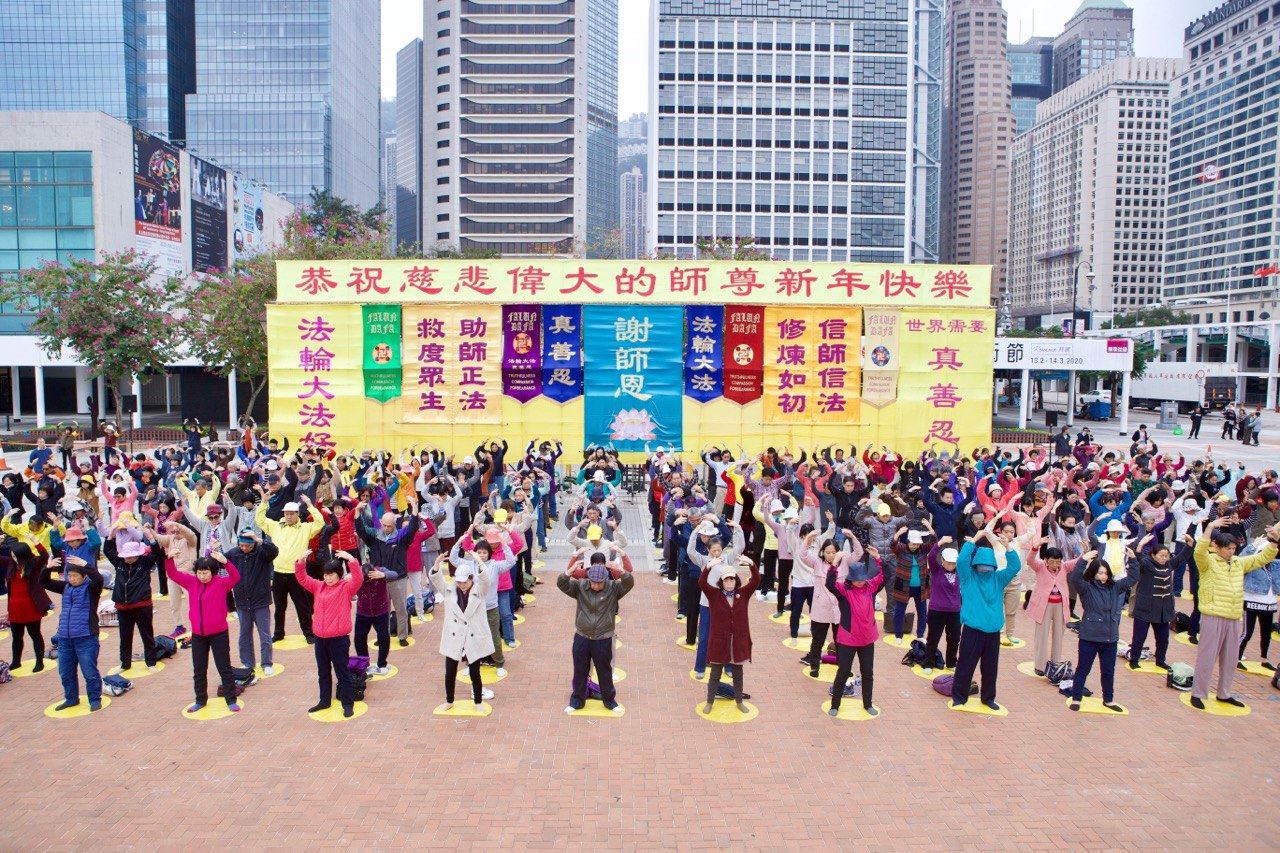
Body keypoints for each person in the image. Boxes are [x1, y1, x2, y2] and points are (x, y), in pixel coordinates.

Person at [1190, 518, 1279, 709]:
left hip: (1233, 616)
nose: (1231, 551)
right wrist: (1210, 527)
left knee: (1230, 659)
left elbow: (1262, 558)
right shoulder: (1207, 562)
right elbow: (1199, 551)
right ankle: (1198, 693)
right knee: (1207, 657)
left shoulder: (1239, 562)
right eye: (1228, 548)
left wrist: (1273, 541)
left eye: (1233, 548)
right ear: (1217, 547)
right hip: (1213, 615)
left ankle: (1224, 693)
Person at [950, 532, 1021, 711]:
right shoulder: (968, 578)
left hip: (993, 632)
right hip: (972, 630)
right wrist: (973, 540)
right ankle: (959, 697)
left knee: (990, 668)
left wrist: (1008, 547)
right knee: (965, 665)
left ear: (994, 565)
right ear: (975, 564)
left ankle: (988, 698)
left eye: (988, 566)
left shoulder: (998, 579)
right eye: (982, 565)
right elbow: (961, 561)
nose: (985, 569)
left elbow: (1015, 566)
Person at [557, 553, 635, 714]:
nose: (595, 586)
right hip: (582, 636)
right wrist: (569, 572)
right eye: (593, 582)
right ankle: (577, 700)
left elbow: (629, 583)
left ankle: (610, 701)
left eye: (599, 583)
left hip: (603, 638)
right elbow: (562, 584)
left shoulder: (613, 588)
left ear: (605, 580)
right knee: (580, 671)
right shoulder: (580, 586)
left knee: (604, 671)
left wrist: (621, 570)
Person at [167, 553, 241, 715]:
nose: (202, 576)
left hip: (219, 634)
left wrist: (226, 562)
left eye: (205, 572)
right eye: (199, 572)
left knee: (224, 667)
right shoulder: (191, 582)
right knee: (199, 669)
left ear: (212, 572)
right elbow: (173, 574)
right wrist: (169, 559)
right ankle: (200, 700)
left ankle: (231, 700)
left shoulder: (221, 583)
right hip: (198, 635)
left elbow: (236, 577)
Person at [295, 550, 363, 717]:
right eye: (325, 575)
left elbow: (359, 579)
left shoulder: (346, 588)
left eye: (331, 575)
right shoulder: (318, 586)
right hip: (320, 639)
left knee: (342, 673)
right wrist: (301, 562)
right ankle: (324, 701)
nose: (328, 578)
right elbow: (303, 579)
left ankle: (347, 703)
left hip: (339, 640)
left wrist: (351, 559)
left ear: (339, 574)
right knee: (323, 672)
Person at [1068, 552, 1138, 711]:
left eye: (1106, 573)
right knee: (1083, 669)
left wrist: (1133, 559)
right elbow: (1075, 578)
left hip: (1109, 638)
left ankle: (1108, 700)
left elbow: (1133, 578)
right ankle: (1076, 698)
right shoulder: (1086, 588)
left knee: (1108, 671)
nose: (1104, 576)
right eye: (1100, 573)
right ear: (1093, 573)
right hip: (1090, 637)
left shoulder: (1115, 587)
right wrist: (1083, 559)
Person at [256, 497, 325, 643]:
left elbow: (320, 522)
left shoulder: (306, 528)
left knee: (303, 606)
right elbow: (260, 520)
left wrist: (310, 505)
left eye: (292, 513)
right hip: (278, 573)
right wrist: (264, 502)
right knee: (279, 607)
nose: (288, 516)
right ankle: (278, 633)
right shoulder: (275, 526)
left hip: (297, 574)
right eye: (286, 513)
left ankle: (309, 634)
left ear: (298, 514)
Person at [42, 552, 105, 712]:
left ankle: (95, 699)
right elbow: (44, 582)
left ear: (84, 576)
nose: (72, 579)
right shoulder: (65, 587)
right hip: (64, 638)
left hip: (86, 637)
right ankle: (71, 699)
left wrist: (86, 565)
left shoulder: (91, 589)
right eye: (69, 575)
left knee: (89, 672)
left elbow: (99, 579)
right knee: (66, 672)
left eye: (75, 576)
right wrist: (47, 568)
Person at [429, 555, 492, 711]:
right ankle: (449, 700)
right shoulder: (449, 590)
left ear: (471, 578)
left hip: (472, 636)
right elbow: (437, 580)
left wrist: (479, 561)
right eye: (459, 582)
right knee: (450, 672)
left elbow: (486, 579)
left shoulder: (479, 590)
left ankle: (478, 702)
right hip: (454, 636)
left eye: (465, 582)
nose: (462, 585)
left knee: (475, 672)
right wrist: (437, 564)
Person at [826, 548, 884, 716]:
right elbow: (829, 584)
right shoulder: (844, 590)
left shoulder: (871, 587)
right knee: (843, 672)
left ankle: (868, 704)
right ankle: (835, 705)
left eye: (862, 579)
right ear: (851, 578)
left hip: (867, 639)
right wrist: (834, 563)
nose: (860, 582)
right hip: (848, 639)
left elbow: (883, 577)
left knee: (867, 673)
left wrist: (878, 559)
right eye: (857, 579)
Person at [699, 555, 760, 713]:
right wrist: (708, 566)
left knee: (738, 673)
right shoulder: (714, 595)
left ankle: (739, 701)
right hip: (720, 642)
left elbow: (756, 580)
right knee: (715, 673)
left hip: (738, 642)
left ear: (736, 580)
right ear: (721, 581)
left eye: (732, 579)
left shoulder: (743, 594)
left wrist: (751, 563)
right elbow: (702, 583)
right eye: (726, 580)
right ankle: (710, 701)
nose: (729, 583)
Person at [1128, 534, 1190, 670]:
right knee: (1139, 637)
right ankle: (1134, 660)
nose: (1164, 558)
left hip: (1163, 610)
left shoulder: (1169, 564)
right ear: (1153, 555)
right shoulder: (1146, 564)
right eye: (1161, 555)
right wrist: (1140, 545)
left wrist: (1190, 544)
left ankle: (1160, 660)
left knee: (1163, 638)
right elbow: (1137, 560)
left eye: (1166, 556)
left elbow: (1181, 557)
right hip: (1145, 608)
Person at [103, 537, 160, 674]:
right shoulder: (119, 563)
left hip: (142, 605)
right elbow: (107, 550)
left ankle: (151, 662)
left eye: (131, 557)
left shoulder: (145, 563)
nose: (128, 559)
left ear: (137, 555)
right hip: (123, 607)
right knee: (125, 636)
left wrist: (151, 539)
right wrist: (110, 536)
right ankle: (125, 663)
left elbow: (156, 552)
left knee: (147, 635)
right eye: (126, 557)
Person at [228, 530, 279, 674]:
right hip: (242, 601)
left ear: (253, 544)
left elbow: (274, 551)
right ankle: (247, 663)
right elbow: (218, 562)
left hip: (260, 601)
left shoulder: (262, 552)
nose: (244, 548)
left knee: (264, 634)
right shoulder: (234, 553)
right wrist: (212, 550)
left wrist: (258, 539)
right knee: (244, 634)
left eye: (247, 546)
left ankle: (266, 663)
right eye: (241, 545)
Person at [1025, 542, 1079, 677]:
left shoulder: (1064, 567)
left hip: (1060, 605)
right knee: (1041, 635)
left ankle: (1055, 663)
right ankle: (1040, 666)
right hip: (1043, 605)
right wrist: (1035, 547)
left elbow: (1078, 562)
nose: (1055, 565)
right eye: (1052, 562)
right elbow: (1029, 560)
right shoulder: (1040, 566)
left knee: (1058, 635)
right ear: (1046, 560)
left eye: (1058, 562)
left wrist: (1085, 553)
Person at [5, 542, 52, 672]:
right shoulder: (11, 564)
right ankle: (16, 661)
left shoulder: (33, 564)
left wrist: (36, 542)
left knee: (35, 634)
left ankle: (39, 662)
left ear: (24, 555)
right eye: (12, 556)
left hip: (31, 606)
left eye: (16, 556)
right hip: (14, 607)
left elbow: (45, 555)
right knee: (16, 636)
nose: (14, 559)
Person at [921, 540, 962, 673]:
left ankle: (951, 663)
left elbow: (967, 560)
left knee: (954, 639)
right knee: (933, 638)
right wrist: (940, 543)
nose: (951, 565)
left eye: (954, 563)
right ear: (942, 561)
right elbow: (931, 556)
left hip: (955, 611)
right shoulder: (936, 570)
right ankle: (928, 663)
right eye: (949, 562)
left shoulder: (960, 572)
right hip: (937, 610)